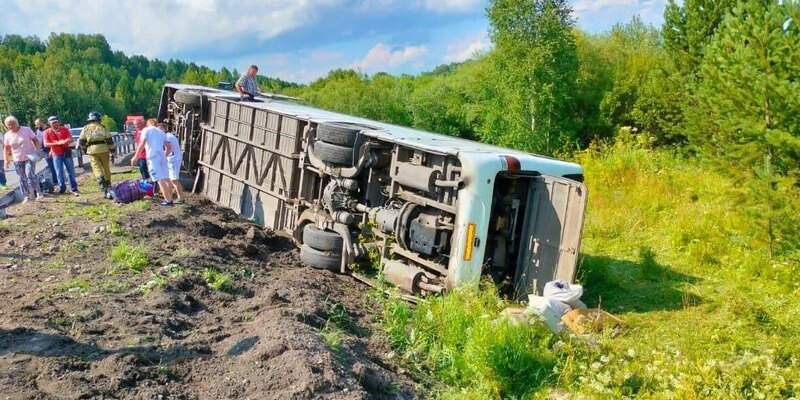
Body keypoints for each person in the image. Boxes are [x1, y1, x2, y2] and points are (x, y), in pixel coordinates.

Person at [131, 119, 173, 207]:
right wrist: (164, 155)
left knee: (159, 179)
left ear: (147, 123)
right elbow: (168, 147)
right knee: (166, 178)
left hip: (153, 157)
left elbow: (142, 143)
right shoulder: (161, 132)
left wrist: (136, 156)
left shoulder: (146, 130)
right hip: (161, 156)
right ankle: (171, 199)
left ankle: (167, 201)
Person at [3, 116, 42, 202]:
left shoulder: (26, 130)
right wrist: (6, 160)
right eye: (8, 125)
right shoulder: (7, 135)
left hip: (29, 156)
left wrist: (38, 151)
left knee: (29, 174)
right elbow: (6, 148)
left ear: (16, 123)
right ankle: (26, 196)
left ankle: (38, 192)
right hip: (17, 158)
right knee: (21, 178)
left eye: (12, 124)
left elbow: (35, 140)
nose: (10, 126)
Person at [79, 111, 115, 197]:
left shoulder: (86, 128)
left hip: (92, 150)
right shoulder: (103, 127)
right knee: (106, 167)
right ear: (99, 119)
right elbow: (109, 140)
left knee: (96, 167)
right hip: (104, 149)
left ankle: (101, 183)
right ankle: (108, 184)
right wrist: (112, 151)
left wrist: (84, 149)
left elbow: (81, 141)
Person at [43, 116, 79, 196]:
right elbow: (46, 144)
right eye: (53, 123)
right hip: (56, 153)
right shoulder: (47, 132)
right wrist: (57, 143)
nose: (55, 124)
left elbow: (71, 139)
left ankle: (74, 188)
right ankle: (62, 188)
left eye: (56, 122)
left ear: (58, 122)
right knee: (59, 172)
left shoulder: (64, 129)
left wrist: (67, 140)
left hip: (66, 152)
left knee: (70, 171)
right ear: (49, 124)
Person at [158, 123, 184, 203]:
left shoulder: (167, 137)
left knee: (174, 180)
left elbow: (168, 149)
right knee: (170, 179)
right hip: (172, 159)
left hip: (174, 160)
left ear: (164, 129)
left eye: (159, 129)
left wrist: (162, 157)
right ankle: (171, 196)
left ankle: (180, 198)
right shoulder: (168, 136)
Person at [35, 118, 57, 183]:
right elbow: (38, 141)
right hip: (43, 150)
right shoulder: (38, 131)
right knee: (50, 166)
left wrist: (52, 150)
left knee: (53, 165)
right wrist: (37, 150)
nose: (37, 126)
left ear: (41, 122)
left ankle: (56, 180)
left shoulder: (49, 129)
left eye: (37, 124)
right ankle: (54, 179)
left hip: (50, 149)